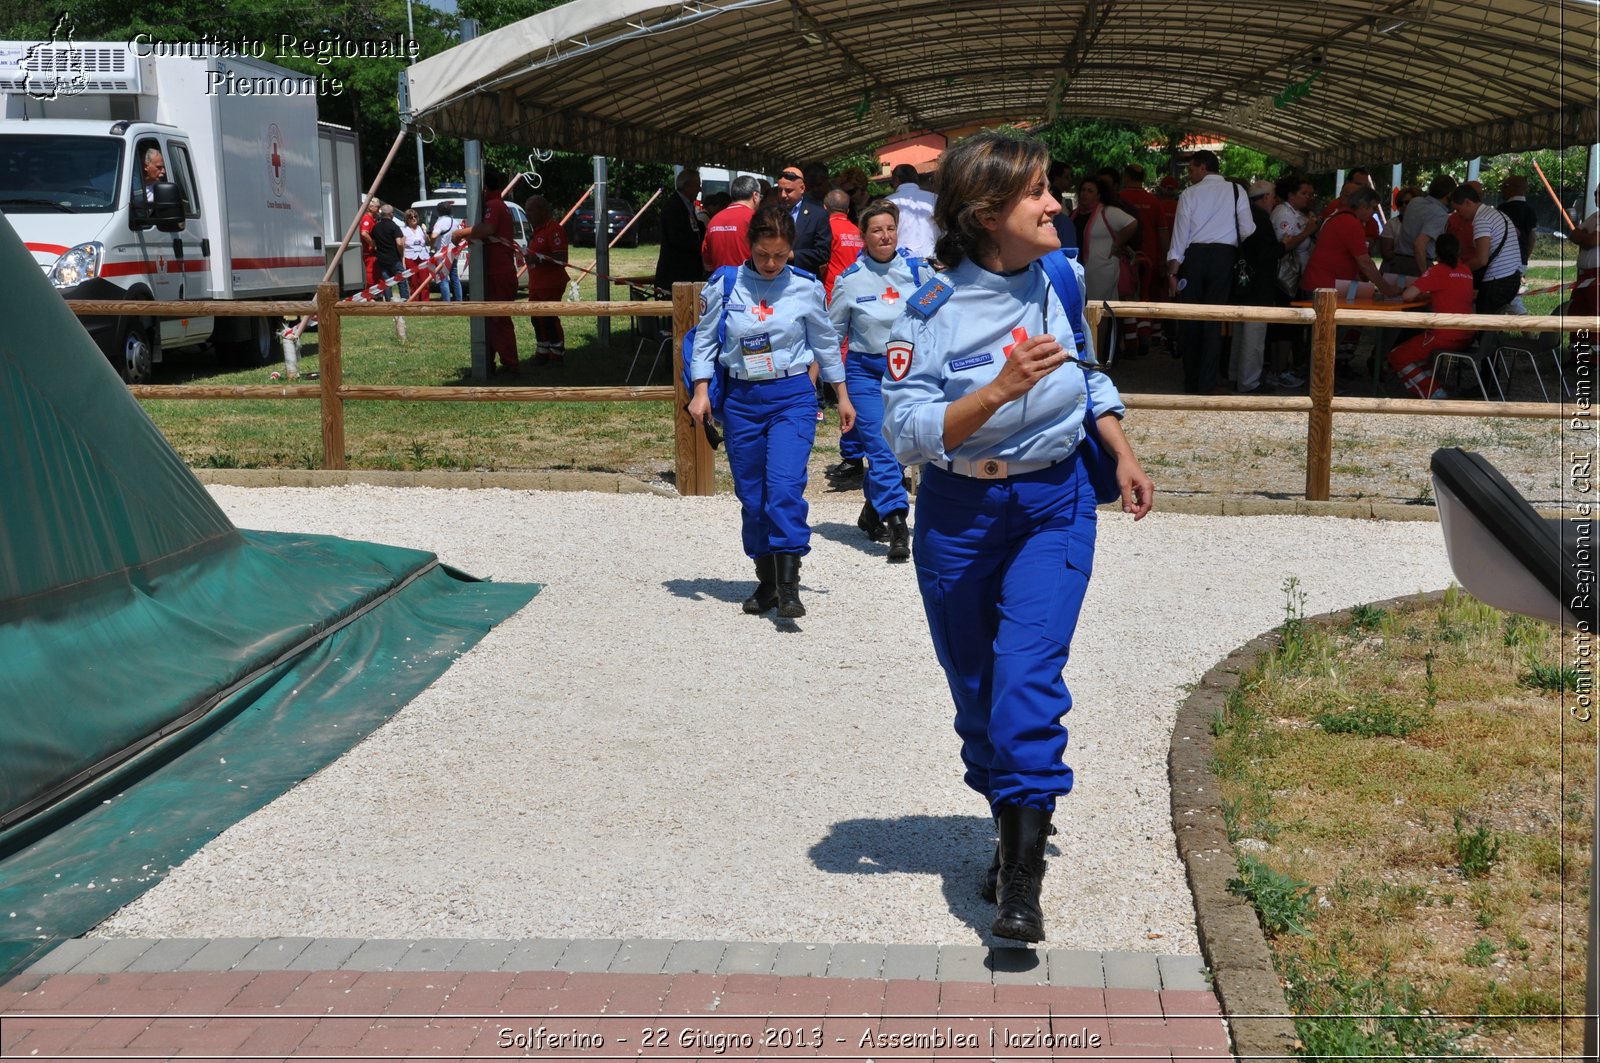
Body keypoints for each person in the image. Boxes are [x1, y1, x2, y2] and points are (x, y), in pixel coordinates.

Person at [881, 131, 1153, 944]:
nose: (1055, 203)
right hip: (960, 517)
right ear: (986, 213)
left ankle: (1021, 884)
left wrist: (1122, 449)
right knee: (979, 699)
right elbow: (905, 431)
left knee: (1027, 683)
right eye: (1038, 191)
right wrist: (999, 389)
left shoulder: (1062, 278)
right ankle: (1009, 824)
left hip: (1055, 503)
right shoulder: (927, 307)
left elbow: (1090, 372)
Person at [686, 206, 854, 619]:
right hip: (743, 400)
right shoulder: (726, 284)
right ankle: (765, 579)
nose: (771, 264)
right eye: (763, 254)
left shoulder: (806, 288)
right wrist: (701, 391)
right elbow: (705, 342)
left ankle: (789, 584)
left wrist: (842, 395)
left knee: (783, 488)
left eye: (780, 255)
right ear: (750, 246)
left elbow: (826, 343)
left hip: (792, 396)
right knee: (753, 496)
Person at [826, 199, 918, 561]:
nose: (885, 236)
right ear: (863, 236)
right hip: (865, 373)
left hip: (909, 372)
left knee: (899, 452)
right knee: (881, 450)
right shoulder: (848, 281)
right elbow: (831, 339)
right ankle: (898, 525)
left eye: (890, 228)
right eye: (877, 230)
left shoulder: (918, 270)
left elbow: (941, 318)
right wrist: (839, 392)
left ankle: (870, 512)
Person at [1166, 150, 1255, 394]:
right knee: (1214, 321)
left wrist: (1173, 271)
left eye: (1191, 169)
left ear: (1203, 167)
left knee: (1191, 319)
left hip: (1193, 257)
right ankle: (1207, 382)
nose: (1189, 174)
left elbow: (1180, 234)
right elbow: (1247, 228)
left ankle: (1191, 380)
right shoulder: (1237, 191)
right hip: (1224, 258)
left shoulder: (1190, 194)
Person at [1385, 232, 1475, 399]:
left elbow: (1407, 296)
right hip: (1466, 335)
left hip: (1445, 335)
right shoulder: (1466, 270)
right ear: (1458, 251)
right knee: (1415, 355)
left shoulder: (1437, 270)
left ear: (1437, 252)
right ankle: (1434, 386)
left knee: (1397, 356)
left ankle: (1433, 391)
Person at [452, 170, 521, 374]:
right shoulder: (500, 205)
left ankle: (510, 364)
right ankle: (489, 363)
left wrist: (460, 233)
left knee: (499, 319)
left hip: (497, 272)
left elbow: (488, 229)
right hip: (495, 271)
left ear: (483, 188)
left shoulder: (494, 206)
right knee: (489, 319)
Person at [1229, 181, 1286, 394]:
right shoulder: (1261, 218)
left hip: (1242, 282)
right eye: (1272, 197)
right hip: (1258, 284)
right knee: (1254, 336)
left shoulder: (1243, 213)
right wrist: (1283, 246)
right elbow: (1265, 253)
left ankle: (1236, 375)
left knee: (1240, 333)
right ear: (1265, 198)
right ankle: (1249, 382)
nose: (1274, 201)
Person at [1072, 176, 1138, 357]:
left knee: (1098, 315)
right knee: (1085, 313)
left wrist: (1117, 244)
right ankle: (1091, 355)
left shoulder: (1107, 212)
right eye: (1083, 190)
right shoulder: (1077, 213)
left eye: (1090, 191)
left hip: (1102, 270)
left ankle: (1098, 357)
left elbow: (1132, 223)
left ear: (1099, 195)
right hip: (1081, 270)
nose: (1084, 194)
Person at [524, 194, 571, 364]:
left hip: (551, 283)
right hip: (536, 284)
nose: (527, 214)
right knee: (536, 317)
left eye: (531, 210)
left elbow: (561, 257)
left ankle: (557, 352)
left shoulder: (554, 230)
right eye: (526, 210)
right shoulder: (535, 231)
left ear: (543, 211)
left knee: (549, 317)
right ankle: (543, 350)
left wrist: (538, 258)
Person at [655, 168, 707, 295]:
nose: (700, 189)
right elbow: (676, 239)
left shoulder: (687, 205)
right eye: (697, 185)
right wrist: (700, 248)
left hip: (686, 274)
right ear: (687, 186)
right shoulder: (673, 207)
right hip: (676, 274)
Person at [702, 175, 761, 271]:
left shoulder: (714, 220)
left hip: (721, 282)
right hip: (748, 283)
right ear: (755, 195)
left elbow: (707, 264)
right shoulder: (756, 219)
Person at [886, 162, 940, 258]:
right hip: (932, 262)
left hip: (902, 261)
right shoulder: (935, 198)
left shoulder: (888, 202)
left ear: (896, 180)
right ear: (916, 179)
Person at [370, 204, 408, 301]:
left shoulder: (376, 227)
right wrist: (401, 253)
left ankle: (388, 300)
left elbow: (373, 243)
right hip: (394, 258)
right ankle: (404, 299)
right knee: (401, 280)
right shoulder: (394, 227)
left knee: (386, 282)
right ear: (391, 214)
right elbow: (399, 243)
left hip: (382, 259)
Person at [431, 202, 465, 302]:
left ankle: (446, 302)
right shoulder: (454, 221)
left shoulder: (440, 222)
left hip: (442, 253)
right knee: (454, 277)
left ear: (438, 211)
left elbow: (433, 236)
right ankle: (459, 301)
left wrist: (431, 245)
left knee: (443, 278)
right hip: (453, 251)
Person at [400, 208, 432, 301]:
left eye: (415, 216)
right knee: (413, 281)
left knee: (424, 280)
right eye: (410, 217)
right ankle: (415, 301)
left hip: (423, 256)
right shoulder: (404, 230)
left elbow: (428, 243)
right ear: (407, 219)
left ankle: (425, 301)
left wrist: (427, 236)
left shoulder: (421, 228)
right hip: (410, 257)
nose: (414, 219)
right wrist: (403, 261)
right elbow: (402, 247)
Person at [358, 196, 380, 290]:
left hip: (372, 252)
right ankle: (369, 295)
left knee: (375, 273)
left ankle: (374, 294)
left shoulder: (372, 219)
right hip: (369, 252)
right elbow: (364, 233)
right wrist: (373, 244)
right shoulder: (367, 219)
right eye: (377, 207)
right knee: (370, 272)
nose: (379, 209)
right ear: (371, 208)